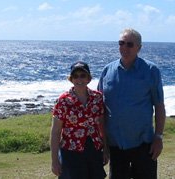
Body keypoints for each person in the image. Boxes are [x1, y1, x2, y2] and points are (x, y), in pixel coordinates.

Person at [98, 28, 166, 179]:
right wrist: (102, 142)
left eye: (130, 44)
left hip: (144, 145)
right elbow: (99, 109)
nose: (124, 47)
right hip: (115, 145)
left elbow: (159, 106)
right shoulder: (107, 71)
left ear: (139, 48)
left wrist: (159, 137)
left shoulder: (151, 70)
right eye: (121, 43)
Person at [50, 61, 108, 179]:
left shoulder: (97, 98)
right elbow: (56, 131)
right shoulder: (63, 100)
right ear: (71, 79)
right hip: (71, 153)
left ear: (89, 78)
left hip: (94, 149)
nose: (79, 79)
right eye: (75, 76)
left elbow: (102, 125)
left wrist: (106, 149)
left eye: (83, 75)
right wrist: (54, 160)